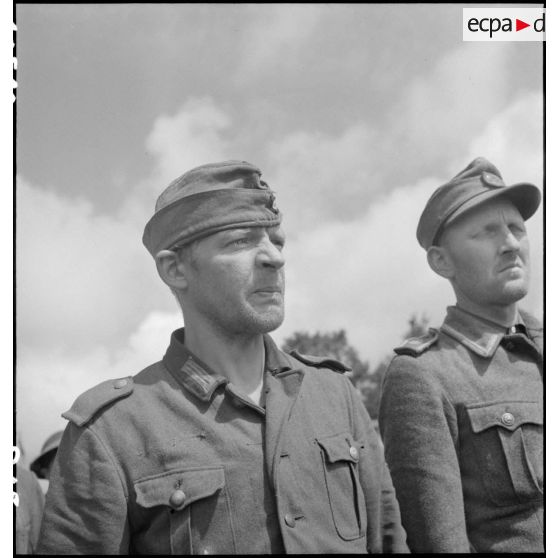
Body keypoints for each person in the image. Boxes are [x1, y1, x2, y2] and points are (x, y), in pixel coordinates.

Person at [38, 160, 407, 554]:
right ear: (175, 269)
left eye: (276, 241)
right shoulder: (112, 430)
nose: (274, 258)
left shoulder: (335, 395)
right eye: (240, 242)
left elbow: (388, 539)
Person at [379, 157, 543, 553]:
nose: (509, 244)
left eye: (516, 228)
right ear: (441, 261)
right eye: (486, 233)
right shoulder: (423, 375)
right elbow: (440, 543)